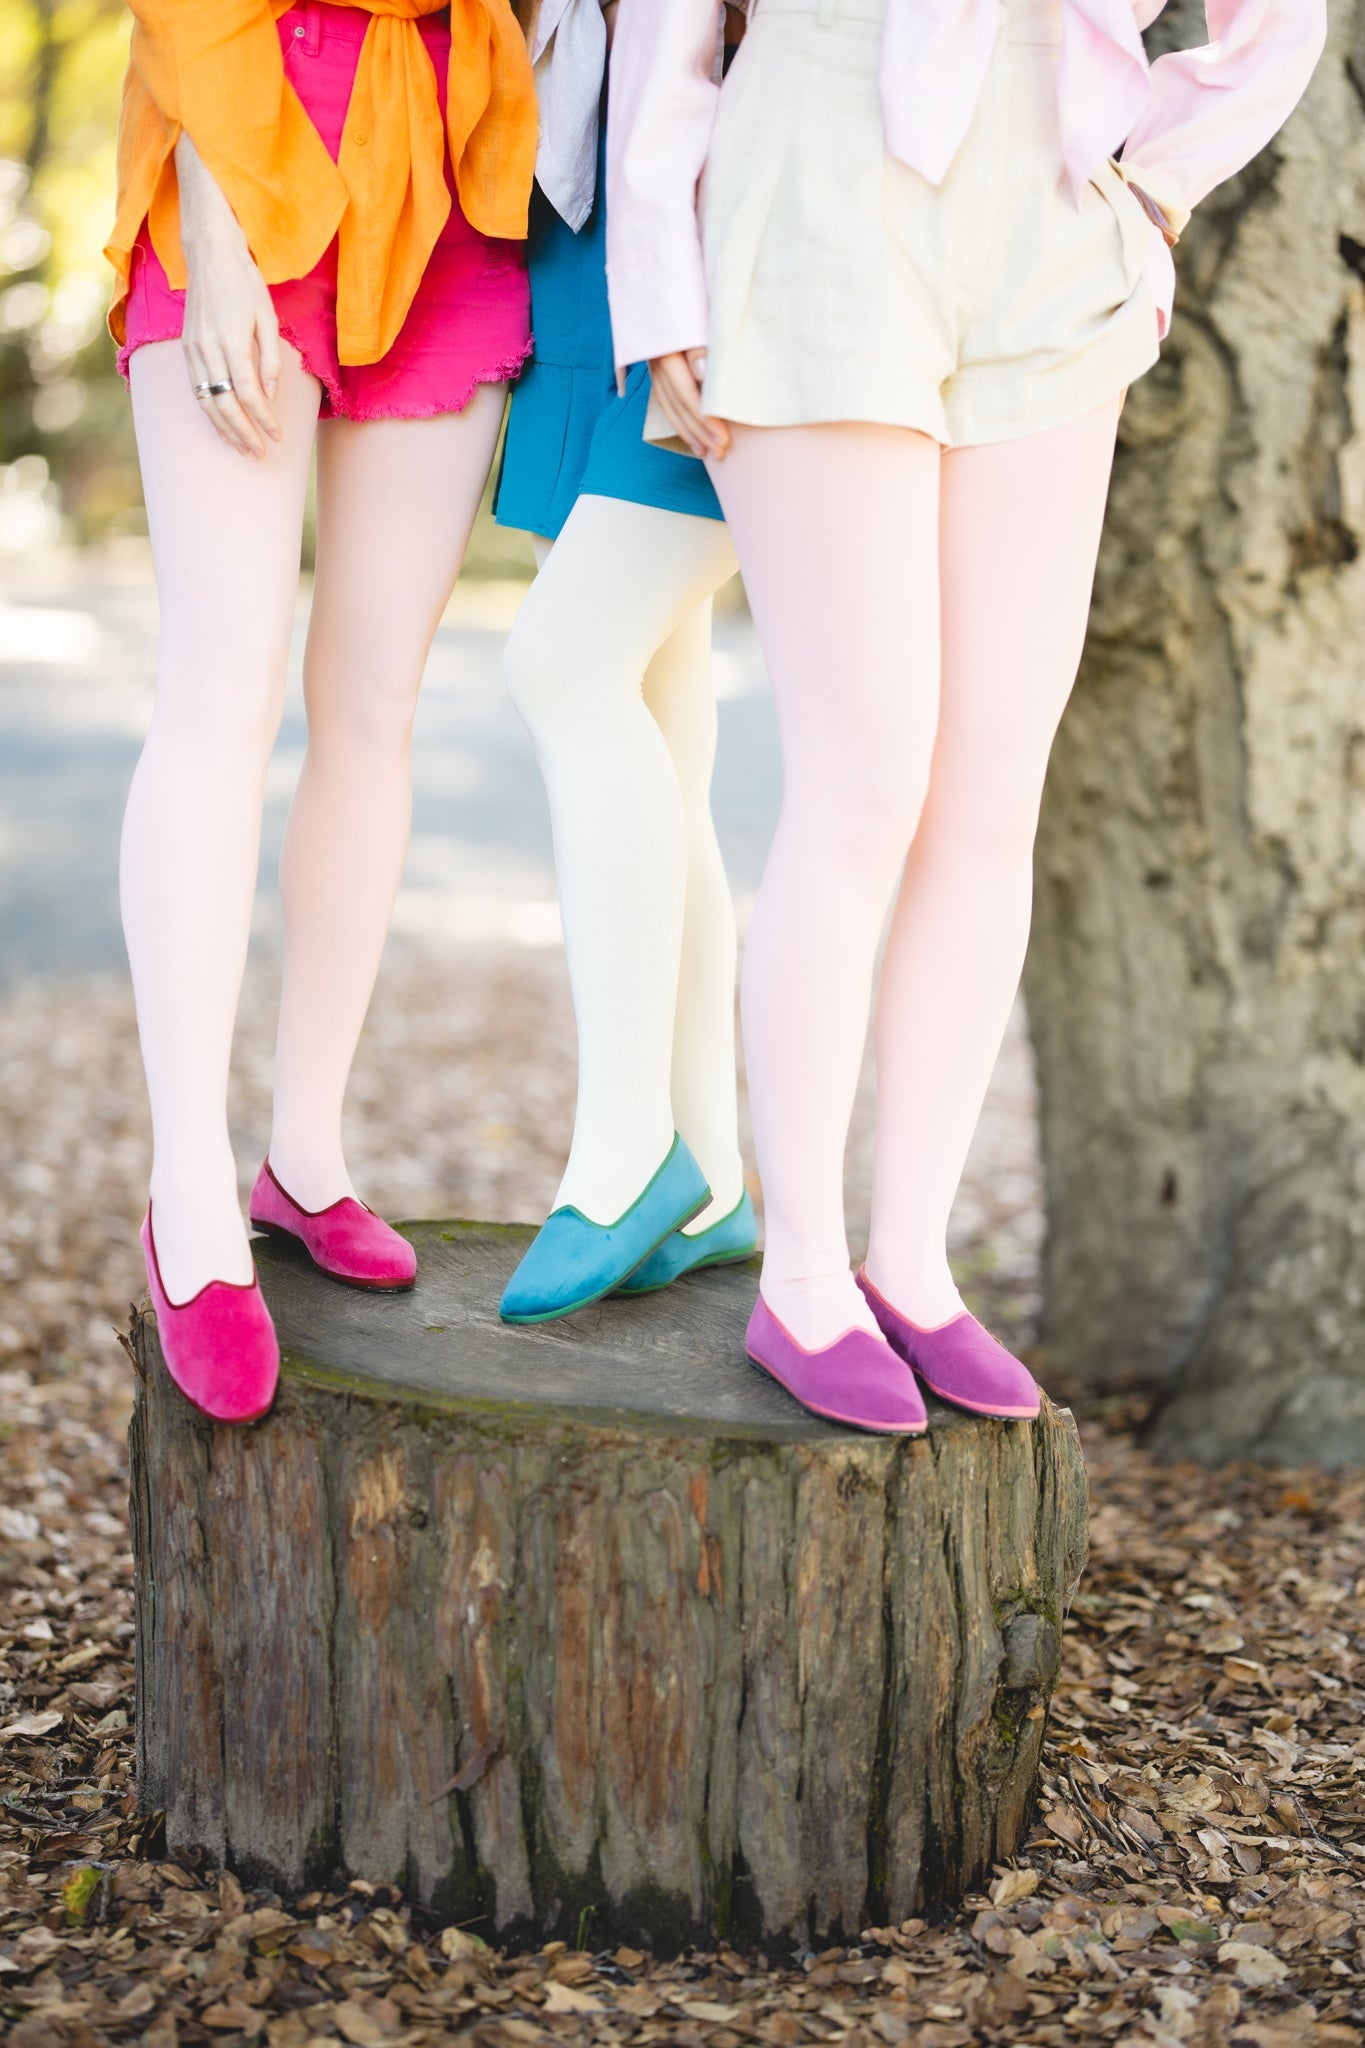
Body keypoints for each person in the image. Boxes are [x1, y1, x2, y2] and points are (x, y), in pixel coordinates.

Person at [606, 0, 1326, 1431]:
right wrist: (660, 280)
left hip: (1054, 195)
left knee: (991, 785)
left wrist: (1161, 174)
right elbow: (668, 26)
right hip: (813, 150)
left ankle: (910, 1260)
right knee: (863, 775)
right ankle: (800, 1271)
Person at [106, 0, 536, 1423]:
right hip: (250, 132)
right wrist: (215, 224)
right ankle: (188, 1192)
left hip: (444, 178)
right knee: (219, 693)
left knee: (371, 706)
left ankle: (304, 1154)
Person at [492, 0, 756, 1322]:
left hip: (705, 258)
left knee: (563, 664)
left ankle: (623, 1149)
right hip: (585, 245)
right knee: (654, 708)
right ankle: (706, 1171)